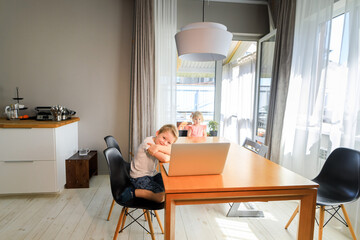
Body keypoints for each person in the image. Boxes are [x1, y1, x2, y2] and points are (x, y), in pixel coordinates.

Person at [120, 124, 178, 203]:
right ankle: (133, 192)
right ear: (157, 133)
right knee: (161, 197)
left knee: (170, 184)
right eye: (164, 138)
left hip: (151, 175)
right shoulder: (148, 142)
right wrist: (163, 149)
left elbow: (173, 151)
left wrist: (158, 147)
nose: (164, 143)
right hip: (139, 177)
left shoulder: (157, 144)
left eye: (169, 142)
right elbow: (165, 158)